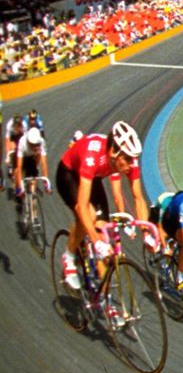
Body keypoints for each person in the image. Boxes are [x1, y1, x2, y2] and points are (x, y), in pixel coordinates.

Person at [55, 121, 150, 291]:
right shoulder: (92, 156)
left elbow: (138, 198)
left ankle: (106, 300)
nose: (131, 164)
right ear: (113, 152)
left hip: (93, 177)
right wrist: (95, 240)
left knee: (103, 231)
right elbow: (82, 207)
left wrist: (146, 233)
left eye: (133, 158)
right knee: (88, 217)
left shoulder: (128, 160)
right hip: (69, 174)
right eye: (127, 159)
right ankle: (68, 256)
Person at [13, 125, 50, 197]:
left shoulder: (42, 142)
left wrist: (46, 183)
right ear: (28, 142)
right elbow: (19, 166)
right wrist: (20, 186)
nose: (35, 147)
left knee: (33, 173)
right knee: (17, 171)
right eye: (33, 145)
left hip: (31, 156)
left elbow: (43, 163)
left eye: (37, 144)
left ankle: (33, 197)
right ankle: (18, 190)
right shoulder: (22, 142)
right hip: (22, 156)